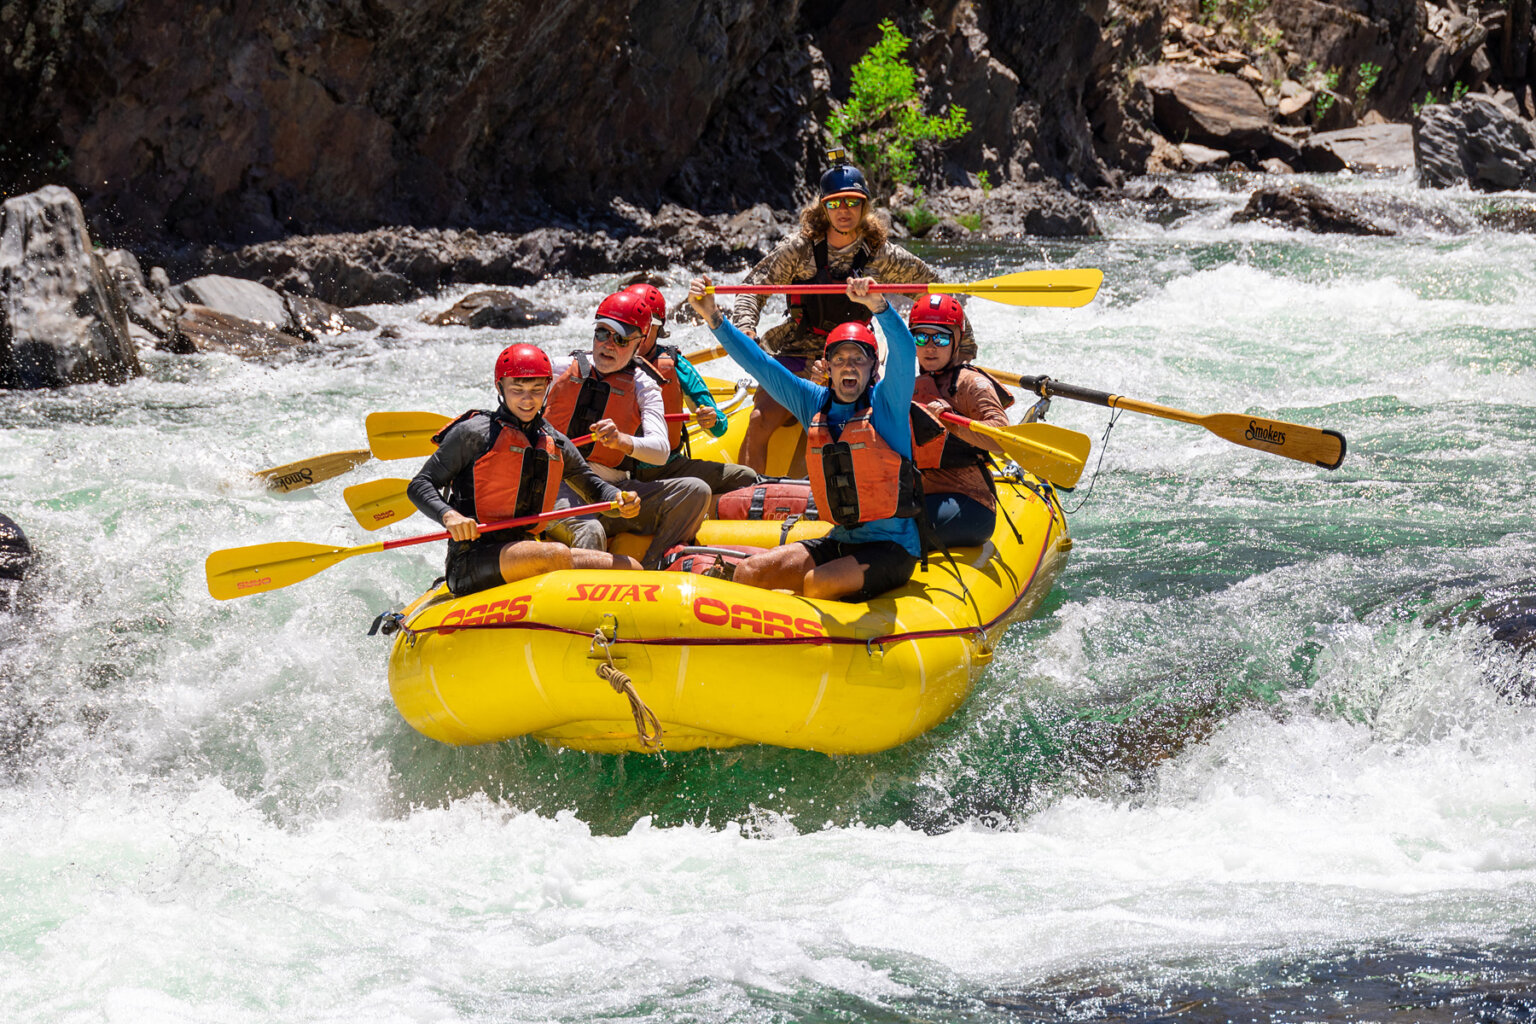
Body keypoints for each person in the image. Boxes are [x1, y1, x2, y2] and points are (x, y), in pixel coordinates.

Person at [727, 150, 973, 473]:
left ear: (864, 206)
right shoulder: (799, 250)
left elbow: (935, 292)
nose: (844, 211)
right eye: (835, 203)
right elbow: (751, 290)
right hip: (798, 351)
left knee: (831, 429)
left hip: (853, 356)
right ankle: (749, 498)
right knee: (759, 420)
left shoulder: (881, 255)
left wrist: (961, 347)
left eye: (852, 202)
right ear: (823, 207)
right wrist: (746, 329)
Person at [689, 273, 922, 602]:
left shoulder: (887, 404)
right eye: (840, 359)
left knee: (818, 583)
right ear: (828, 366)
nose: (849, 367)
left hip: (893, 547)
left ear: (873, 366)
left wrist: (879, 306)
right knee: (749, 573)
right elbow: (761, 365)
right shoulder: (813, 402)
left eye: (859, 359)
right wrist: (713, 317)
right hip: (841, 539)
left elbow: (905, 351)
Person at [407, 343, 642, 598]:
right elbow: (420, 484)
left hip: (526, 549)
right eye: (517, 390)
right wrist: (449, 515)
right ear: (500, 388)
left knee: (631, 568)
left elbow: (590, 484)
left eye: (536, 390)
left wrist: (617, 498)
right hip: (471, 559)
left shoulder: (554, 440)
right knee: (557, 554)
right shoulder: (473, 433)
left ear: (547, 388)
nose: (527, 400)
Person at [542, 289, 711, 569]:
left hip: (618, 494)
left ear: (638, 344)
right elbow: (513, 389)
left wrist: (622, 441)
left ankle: (655, 567)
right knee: (590, 530)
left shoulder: (645, 385)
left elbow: (660, 451)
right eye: (602, 333)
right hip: (559, 488)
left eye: (620, 338)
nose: (608, 345)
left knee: (696, 491)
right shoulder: (559, 368)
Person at [622, 282, 758, 494]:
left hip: (666, 468)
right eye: (630, 326)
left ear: (658, 329)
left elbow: (719, 426)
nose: (637, 333)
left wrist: (712, 419)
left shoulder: (675, 365)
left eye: (645, 326)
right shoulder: (603, 360)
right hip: (614, 471)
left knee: (745, 477)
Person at [905, 294, 1015, 548]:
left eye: (941, 338)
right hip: (922, 492)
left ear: (956, 341)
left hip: (970, 503)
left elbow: (1002, 438)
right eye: (921, 337)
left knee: (898, 531)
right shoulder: (910, 385)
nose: (930, 347)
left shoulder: (971, 384)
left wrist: (952, 423)